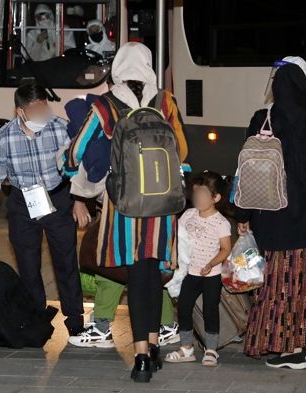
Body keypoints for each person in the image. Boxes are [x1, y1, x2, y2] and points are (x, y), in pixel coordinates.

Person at [64, 42, 189, 383]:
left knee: (135, 276)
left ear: (118, 67)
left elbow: (76, 150)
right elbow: (182, 148)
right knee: (151, 275)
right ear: (148, 65)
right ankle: (153, 345)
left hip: (124, 207)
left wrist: (73, 169)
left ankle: (142, 360)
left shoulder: (106, 104)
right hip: (162, 206)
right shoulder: (166, 101)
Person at [238, 61, 306, 370]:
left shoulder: (264, 119)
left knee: (282, 282)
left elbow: (247, 170)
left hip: (276, 217)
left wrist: (243, 213)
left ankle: (289, 349)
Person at [0, 82, 86, 339]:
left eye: (44, 106)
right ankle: (36, 317)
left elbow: (78, 165)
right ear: (21, 112)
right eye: (36, 108)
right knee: (27, 264)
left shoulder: (60, 128)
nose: (43, 112)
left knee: (66, 261)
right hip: (22, 202)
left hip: (58, 197)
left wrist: (80, 200)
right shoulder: (5, 136)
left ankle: (75, 319)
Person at [165, 172, 232, 367]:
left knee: (210, 310)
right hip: (189, 273)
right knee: (184, 308)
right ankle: (186, 347)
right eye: (196, 194)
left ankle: (211, 349)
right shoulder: (188, 215)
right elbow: (177, 238)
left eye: (203, 195)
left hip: (211, 275)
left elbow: (225, 249)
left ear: (216, 198)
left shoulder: (221, 223)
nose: (198, 199)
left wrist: (211, 264)